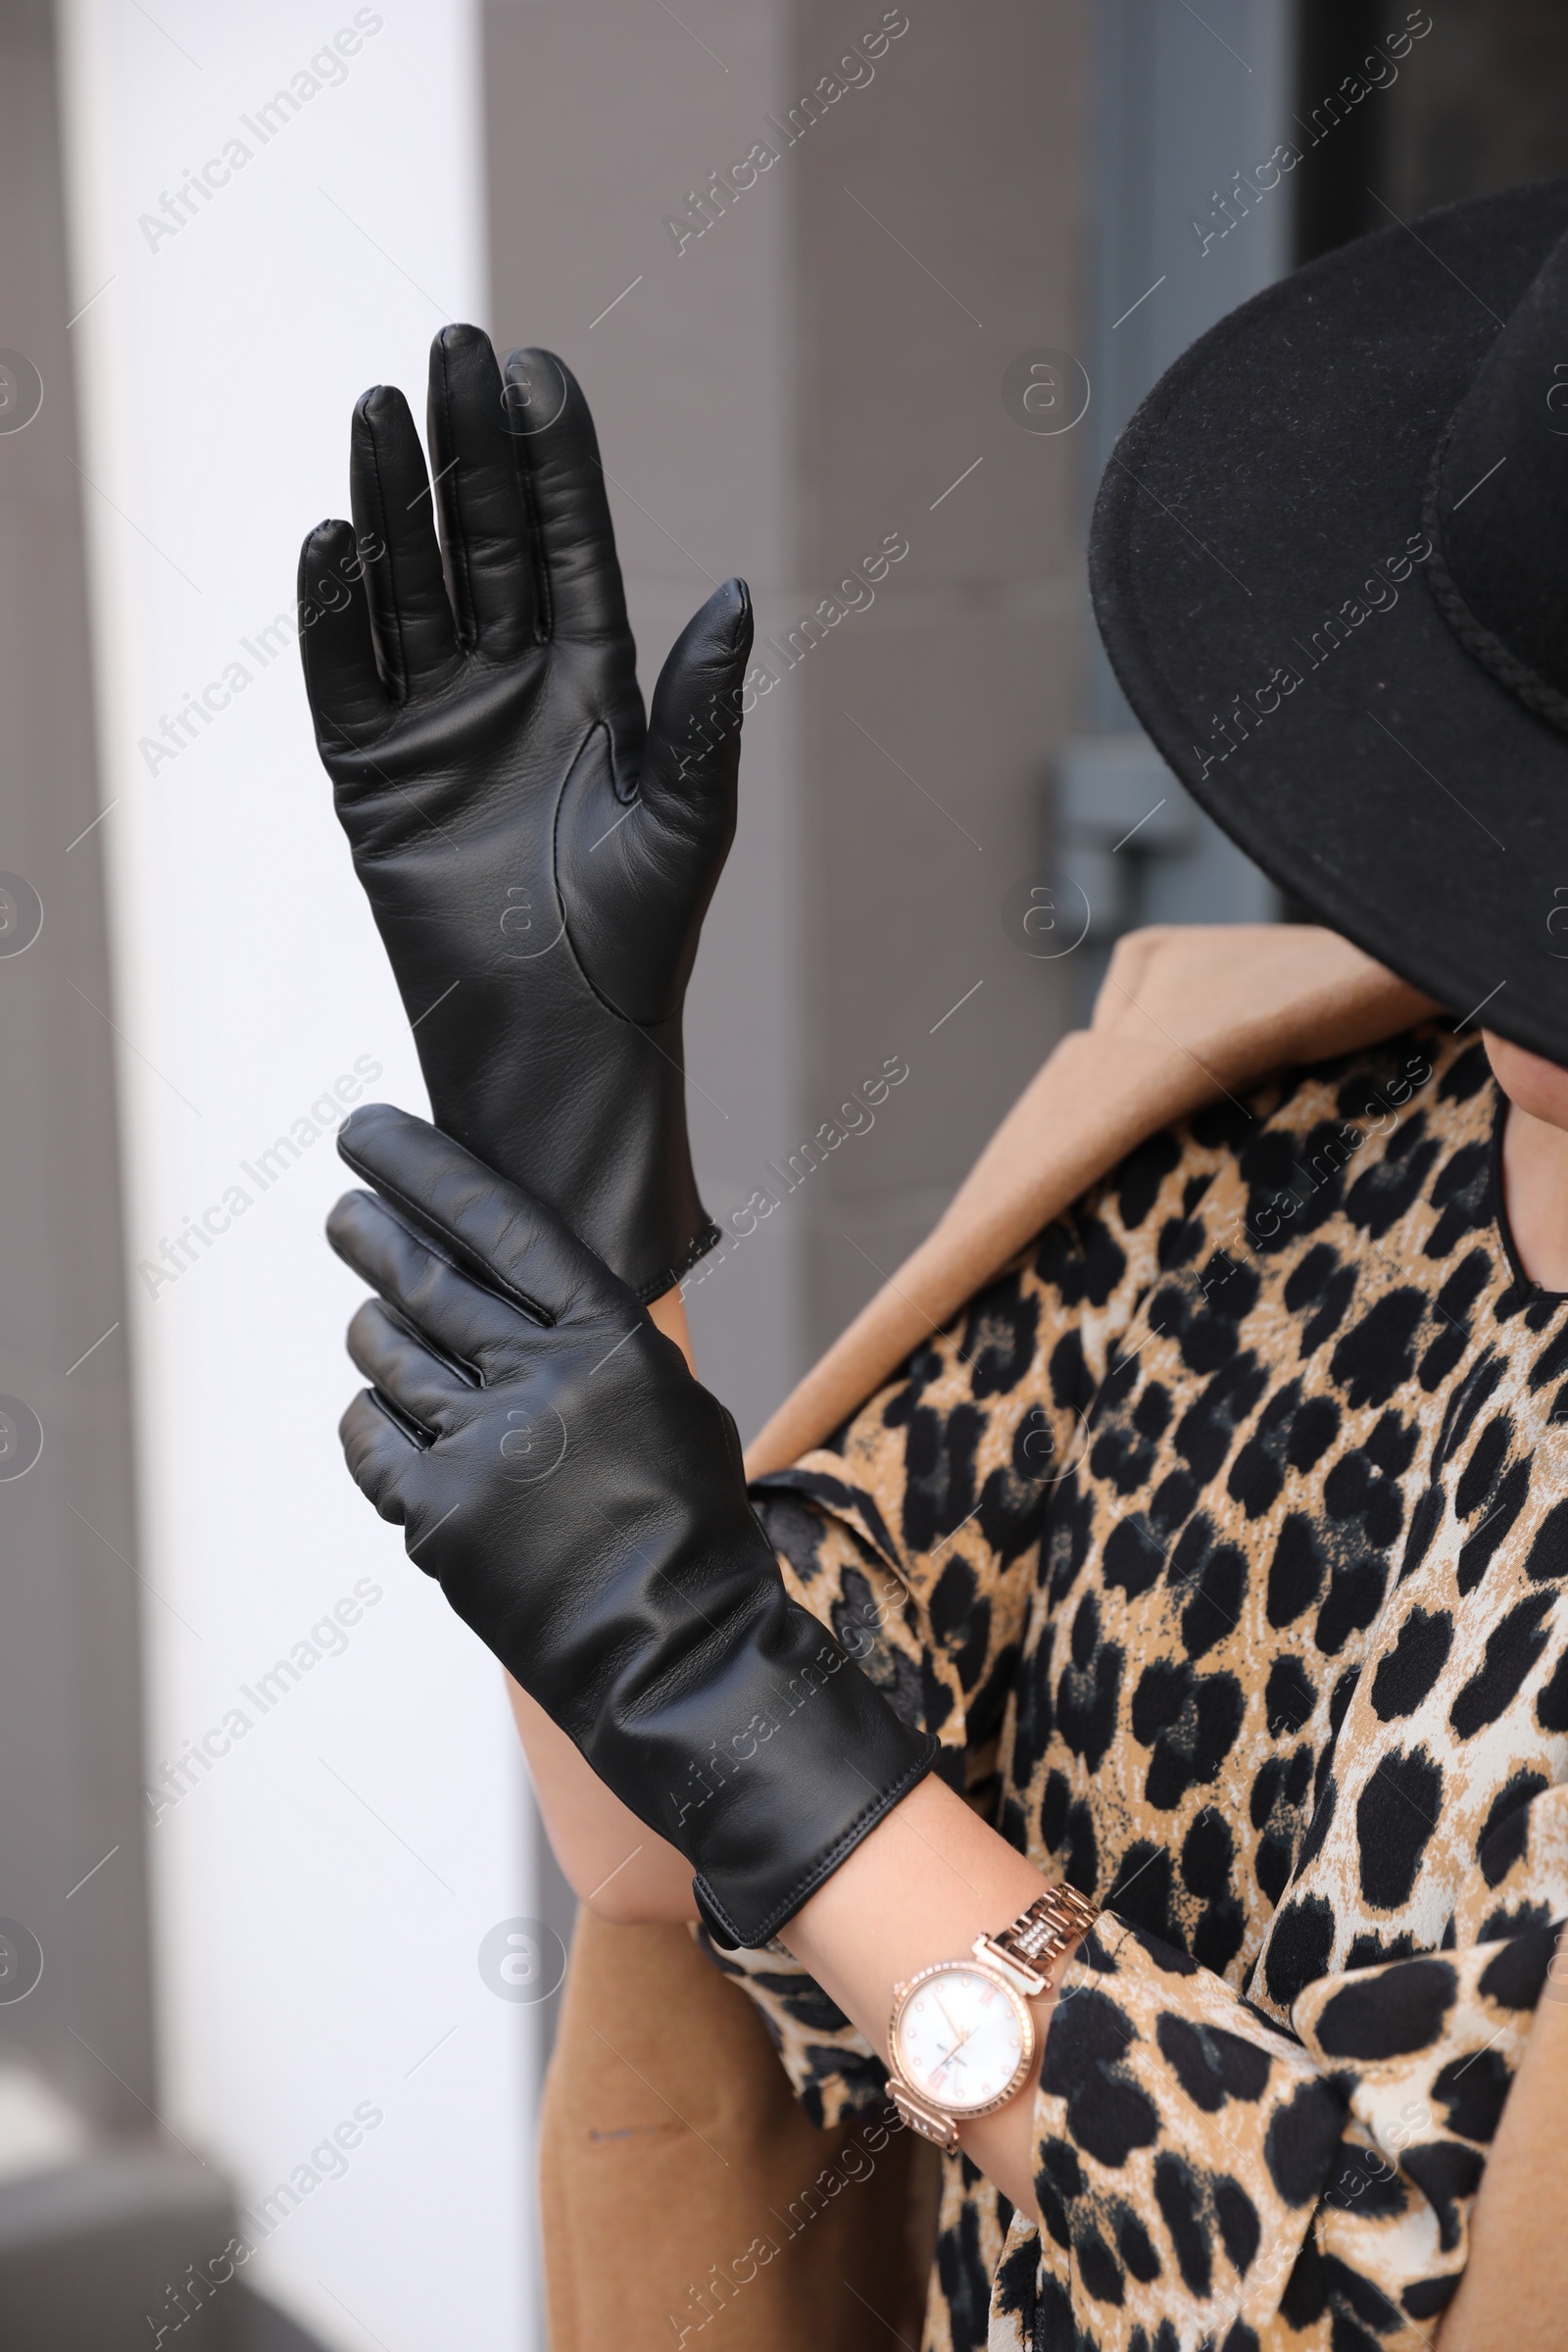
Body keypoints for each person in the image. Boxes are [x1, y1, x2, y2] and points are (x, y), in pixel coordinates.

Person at [298, 176, 1568, 2350]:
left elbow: (1399, 2308)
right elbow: (668, 1860)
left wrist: (740, 1711)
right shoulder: (1240, 1158)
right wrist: (565, 1149)